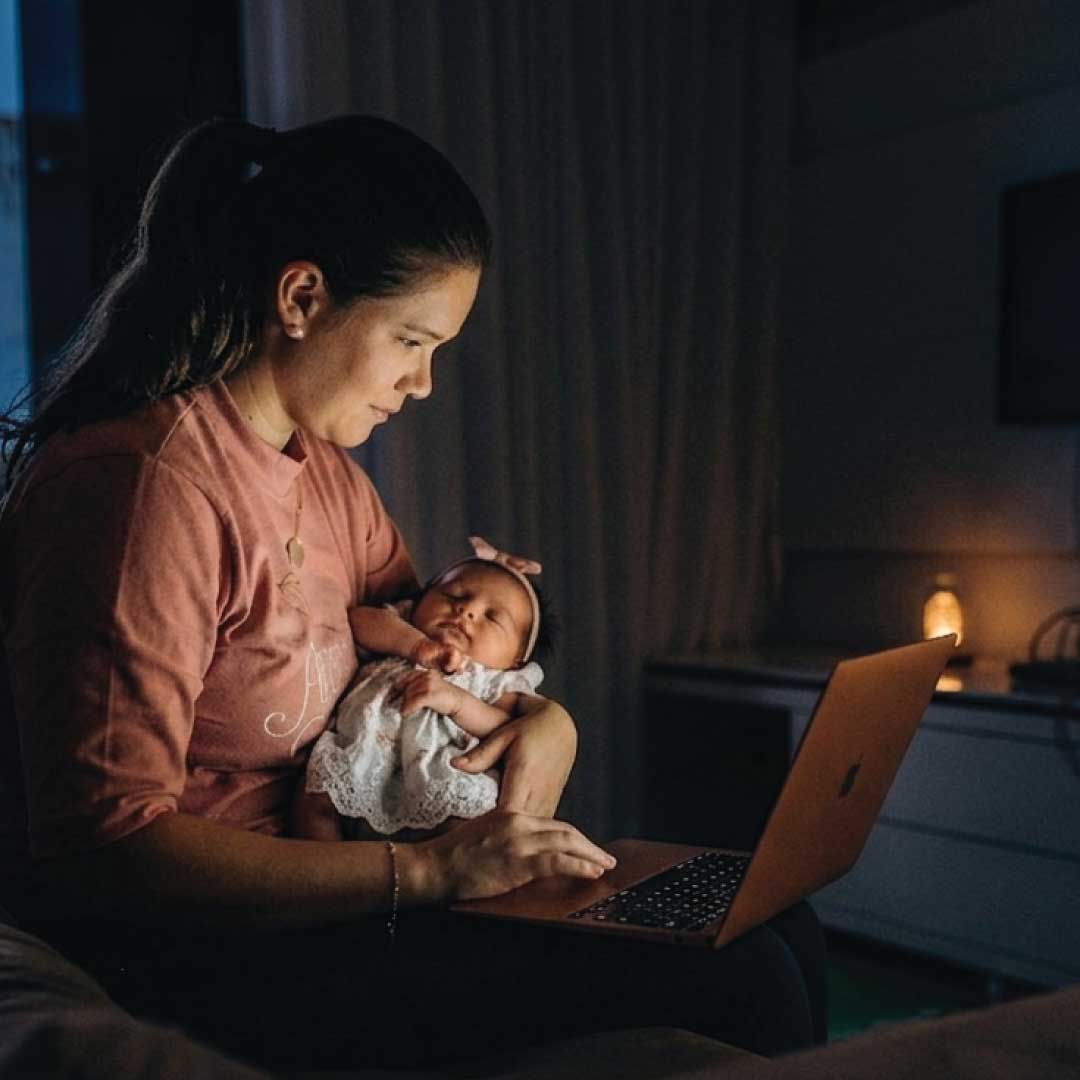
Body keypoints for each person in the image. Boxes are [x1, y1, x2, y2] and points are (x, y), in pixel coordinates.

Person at [0, 115, 826, 1072]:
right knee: (746, 980)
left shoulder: (324, 472)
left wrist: (550, 722)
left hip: (353, 888)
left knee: (776, 923)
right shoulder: (145, 491)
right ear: (302, 296)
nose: (425, 383)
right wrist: (431, 871)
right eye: (411, 339)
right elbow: (108, 849)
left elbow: (439, 644)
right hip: (218, 945)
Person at [295, 548, 552, 840]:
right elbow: (357, 621)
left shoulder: (496, 679)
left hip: (441, 772)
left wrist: (457, 702)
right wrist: (416, 646)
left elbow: (503, 725)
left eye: (492, 617)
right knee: (312, 800)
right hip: (362, 755)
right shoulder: (401, 629)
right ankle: (333, 878)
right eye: (454, 596)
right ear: (420, 601)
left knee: (466, 828)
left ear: (517, 658)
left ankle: (442, 880)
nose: (466, 611)